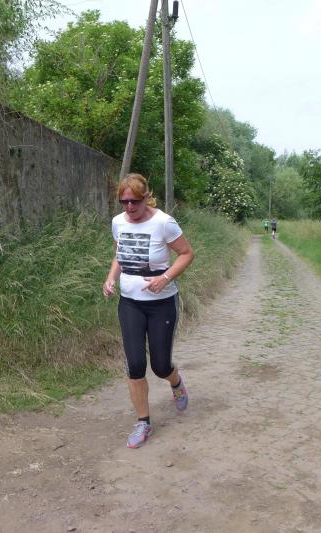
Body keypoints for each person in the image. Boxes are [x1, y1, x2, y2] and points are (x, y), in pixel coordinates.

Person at [103, 173, 195, 448]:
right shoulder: (118, 222)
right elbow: (120, 255)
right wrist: (110, 278)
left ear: (146, 198)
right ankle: (143, 422)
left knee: (160, 365)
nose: (129, 207)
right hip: (130, 303)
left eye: (134, 201)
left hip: (161, 304)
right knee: (135, 365)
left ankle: (175, 381)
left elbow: (187, 254)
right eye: (124, 202)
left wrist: (164, 278)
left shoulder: (164, 223)